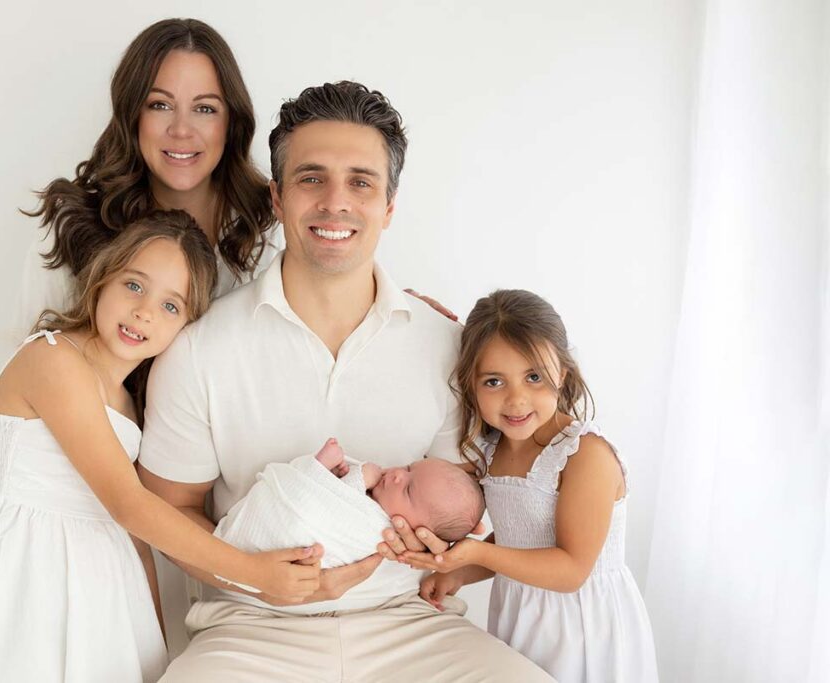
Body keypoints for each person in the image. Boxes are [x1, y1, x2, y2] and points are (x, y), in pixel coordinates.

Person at [140, 81, 550, 681]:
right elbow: (169, 510)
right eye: (311, 178)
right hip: (251, 631)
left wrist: (443, 554)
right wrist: (260, 578)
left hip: (409, 623)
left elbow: (462, 497)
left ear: (389, 205)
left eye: (361, 181)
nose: (336, 202)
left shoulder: (446, 347)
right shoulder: (201, 349)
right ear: (277, 198)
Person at [0, 16, 283, 633]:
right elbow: (19, 408)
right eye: (159, 105)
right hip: (87, 523)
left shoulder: (266, 235)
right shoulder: (70, 227)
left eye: (205, 107)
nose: (182, 130)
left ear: (232, 122)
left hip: (224, 514)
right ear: (131, 115)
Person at [0, 212, 321, 683]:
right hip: (30, 577)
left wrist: (151, 633)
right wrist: (252, 573)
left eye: (171, 306)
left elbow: (134, 535)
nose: (144, 312)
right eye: (135, 286)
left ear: (187, 327)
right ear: (102, 277)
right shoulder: (55, 360)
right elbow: (126, 504)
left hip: (100, 587)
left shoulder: (125, 401)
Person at [407, 289, 659, 682]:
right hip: (522, 614)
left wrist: (476, 554)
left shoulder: (584, 455)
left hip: (582, 626)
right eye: (494, 381)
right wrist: (458, 572)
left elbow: (570, 569)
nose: (516, 400)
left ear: (563, 371)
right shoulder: (490, 451)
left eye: (534, 377)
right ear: (470, 384)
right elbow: (517, 541)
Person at [214, 437, 486, 574]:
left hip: (291, 530)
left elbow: (338, 516)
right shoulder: (375, 501)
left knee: (304, 507)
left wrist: (359, 477)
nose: (396, 475)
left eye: (408, 489)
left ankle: (317, 467)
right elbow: (335, 501)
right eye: (408, 468)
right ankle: (317, 470)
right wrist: (338, 481)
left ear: (421, 532)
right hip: (255, 556)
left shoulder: (378, 529)